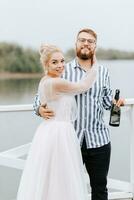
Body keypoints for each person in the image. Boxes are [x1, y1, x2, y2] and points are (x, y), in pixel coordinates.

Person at [34, 28, 125, 200]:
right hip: (69, 142)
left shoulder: (103, 72)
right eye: (82, 40)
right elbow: (39, 97)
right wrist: (39, 109)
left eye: (90, 41)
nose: (85, 43)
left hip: (99, 139)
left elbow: (105, 102)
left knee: (100, 189)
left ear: (95, 46)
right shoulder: (62, 68)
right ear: (76, 43)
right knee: (65, 190)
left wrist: (115, 103)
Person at [17, 44, 97, 200]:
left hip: (50, 130)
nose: (60, 65)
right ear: (46, 64)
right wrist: (95, 64)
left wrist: (40, 108)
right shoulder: (55, 82)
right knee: (60, 176)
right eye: (55, 62)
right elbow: (83, 86)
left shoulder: (47, 80)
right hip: (59, 133)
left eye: (62, 61)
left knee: (52, 176)